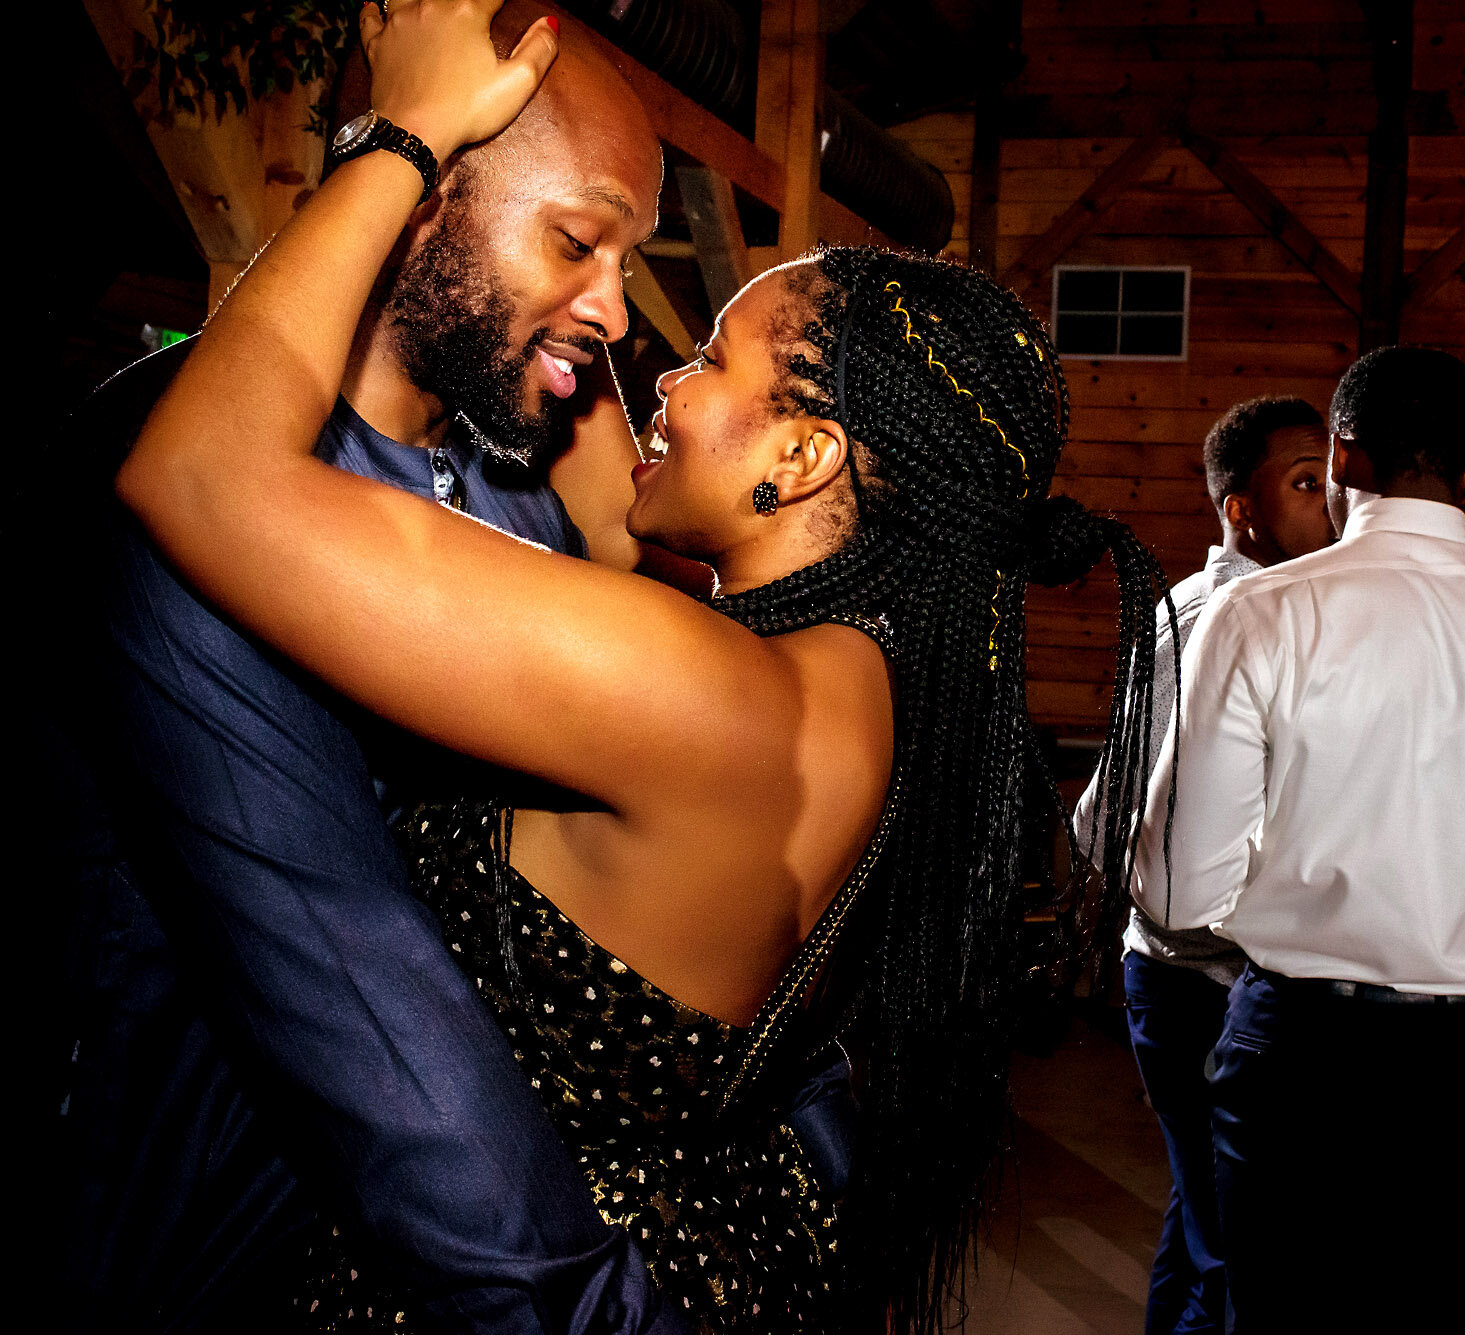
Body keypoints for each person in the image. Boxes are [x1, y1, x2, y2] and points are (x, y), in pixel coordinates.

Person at [113, 3, 1169, 1330]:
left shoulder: (689, 684)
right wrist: (551, 275)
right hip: (712, 1246)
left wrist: (401, 139)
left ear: (804, 458)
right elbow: (616, 487)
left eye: (713, 353)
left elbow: (202, 474)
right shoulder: (851, 688)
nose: (652, 365)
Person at [50, 5, 684, 1329]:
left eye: (629, 258)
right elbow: (344, 961)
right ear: (417, 203)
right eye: (577, 239)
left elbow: (632, 531)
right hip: (169, 1229)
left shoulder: (510, 489)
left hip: (376, 1245)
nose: (617, 309)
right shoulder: (188, 474)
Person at [1132, 347, 1465, 1332]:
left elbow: (1175, 894)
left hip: (1300, 1046)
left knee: (1277, 1316)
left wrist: (1291, 879)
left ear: (1340, 458)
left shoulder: (1257, 613)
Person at [1074, 395, 1334, 1335]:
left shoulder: (1240, 607)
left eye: (1339, 482)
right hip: (1200, 978)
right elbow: (1111, 815)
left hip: (1200, 972)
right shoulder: (1223, 615)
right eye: (1307, 484)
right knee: (1241, 1245)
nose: (1333, 505)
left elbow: (1107, 819)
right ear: (1240, 508)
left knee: (1202, 1219)